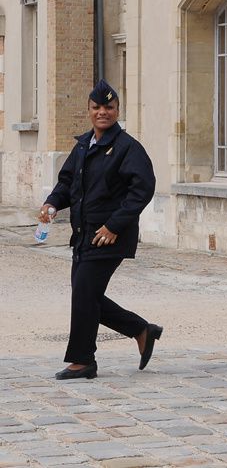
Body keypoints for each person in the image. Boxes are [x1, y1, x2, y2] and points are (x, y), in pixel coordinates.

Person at [39, 79, 161, 380]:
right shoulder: (83, 145)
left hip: (108, 236)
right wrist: (53, 203)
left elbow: (142, 190)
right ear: (89, 111)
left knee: (84, 294)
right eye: (97, 107)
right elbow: (67, 182)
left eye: (109, 107)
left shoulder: (127, 148)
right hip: (83, 233)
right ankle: (141, 329)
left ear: (117, 110)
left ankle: (83, 361)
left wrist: (114, 225)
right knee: (86, 295)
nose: (103, 112)